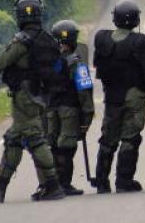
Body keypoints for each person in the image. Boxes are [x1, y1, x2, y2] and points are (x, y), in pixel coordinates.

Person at [0, 0, 65, 203]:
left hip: (24, 98)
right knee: (13, 139)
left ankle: (53, 185)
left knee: (35, 139)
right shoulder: (48, 38)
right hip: (40, 95)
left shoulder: (23, 41)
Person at [93, 0, 145, 194]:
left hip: (112, 95)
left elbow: (98, 66)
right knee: (130, 138)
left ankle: (102, 181)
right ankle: (124, 180)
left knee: (108, 138)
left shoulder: (102, 38)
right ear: (136, 20)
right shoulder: (140, 41)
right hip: (133, 94)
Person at [47, 20, 95, 196]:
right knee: (67, 146)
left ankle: (52, 182)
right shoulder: (77, 62)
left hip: (51, 109)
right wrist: (88, 115)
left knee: (52, 145)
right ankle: (64, 183)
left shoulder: (48, 61)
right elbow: (84, 90)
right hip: (70, 109)